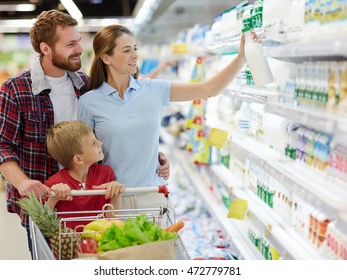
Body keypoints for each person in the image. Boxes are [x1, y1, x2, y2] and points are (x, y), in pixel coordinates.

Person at [0, 10, 169, 257]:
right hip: (47, 205)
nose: (79, 49)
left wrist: (150, 155)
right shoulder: (15, 89)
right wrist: (23, 182)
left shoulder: (85, 84)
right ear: (46, 48)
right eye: (70, 44)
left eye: (79, 41)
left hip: (91, 202)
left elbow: (111, 127)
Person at [78, 25, 247, 190]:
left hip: (154, 195)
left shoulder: (154, 89)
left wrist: (241, 59)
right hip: (111, 198)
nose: (135, 55)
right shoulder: (89, 102)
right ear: (106, 58)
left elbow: (209, 88)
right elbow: (83, 159)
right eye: (127, 50)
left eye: (135, 49)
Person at [45, 120, 124, 230]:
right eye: (93, 143)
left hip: (101, 243)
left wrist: (115, 193)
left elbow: (112, 219)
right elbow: (44, 224)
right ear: (78, 159)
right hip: (70, 244)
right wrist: (53, 198)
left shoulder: (106, 173)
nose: (100, 143)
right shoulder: (54, 183)